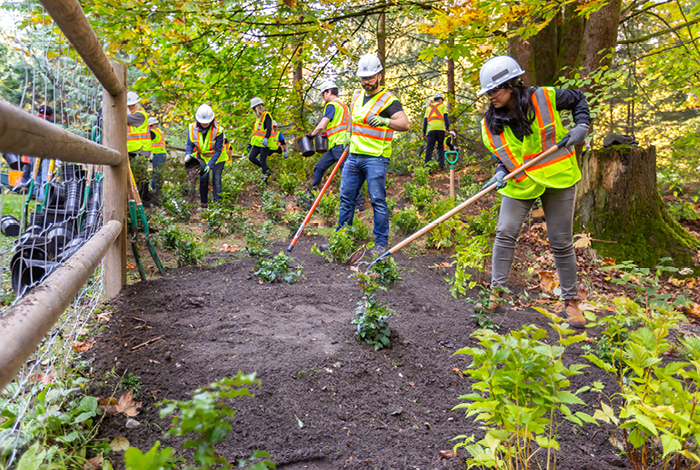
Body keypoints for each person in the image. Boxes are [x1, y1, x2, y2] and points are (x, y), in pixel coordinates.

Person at [478, 55, 590, 328]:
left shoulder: (544, 97)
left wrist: (581, 128)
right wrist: (500, 172)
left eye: (495, 90)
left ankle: (571, 301)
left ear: (511, 84)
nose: (490, 96)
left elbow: (578, 98)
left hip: (558, 177)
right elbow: (503, 154)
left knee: (561, 241)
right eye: (487, 92)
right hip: (521, 182)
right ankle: (497, 291)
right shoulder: (490, 121)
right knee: (504, 233)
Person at [337, 54, 409, 254]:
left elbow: (404, 124)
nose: (366, 82)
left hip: (375, 158)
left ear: (379, 76)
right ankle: (342, 240)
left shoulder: (389, 100)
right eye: (363, 78)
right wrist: (349, 134)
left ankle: (380, 244)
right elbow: (352, 116)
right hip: (354, 156)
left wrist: (386, 121)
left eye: (370, 78)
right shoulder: (357, 95)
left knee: (377, 199)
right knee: (346, 198)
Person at [307, 80, 365, 212]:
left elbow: (321, 125)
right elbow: (341, 125)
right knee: (319, 167)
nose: (323, 97)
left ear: (329, 92)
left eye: (323, 94)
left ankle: (359, 204)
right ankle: (310, 195)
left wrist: (312, 135)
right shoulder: (343, 105)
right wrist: (328, 133)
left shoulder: (332, 105)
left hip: (339, 146)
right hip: (336, 146)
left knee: (349, 174)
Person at [184, 104, 225, 207]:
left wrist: (210, 165)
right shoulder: (192, 128)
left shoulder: (218, 130)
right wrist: (188, 154)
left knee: (216, 179)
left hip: (217, 157)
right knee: (203, 178)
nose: (204, 124)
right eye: (202, 122)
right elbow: (190, 144)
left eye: (207, 122)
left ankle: (217, 205)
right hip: (202, 156)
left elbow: (218, 150)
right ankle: (204, 203)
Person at [126, 92, 152, 200]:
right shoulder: (133, 115)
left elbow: (123, 119)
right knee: (137, 176)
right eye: (129, 106)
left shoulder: (140, 115)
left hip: (140, 150)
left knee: (140, 176)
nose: (131, 108)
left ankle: (143, 199)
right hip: (133, 149)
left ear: (137, 104)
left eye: (133, 105)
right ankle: (139, 199)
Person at [248, 97, 274, 182]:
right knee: (251, 157)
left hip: (264, 143)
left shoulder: (266, 115)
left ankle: (264, 178)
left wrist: (266, 138)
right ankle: (267, 170)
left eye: (254, 109)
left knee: (263, 160)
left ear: (257, 107)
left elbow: (269, 128)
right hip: (257, 143)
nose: (254, 111)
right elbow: (257, 132)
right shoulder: (258, 118)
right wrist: (251, 143)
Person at [423, 92, 449, 169]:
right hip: (441, 129)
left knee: (429, 148)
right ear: (440, 99)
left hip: (431, 130)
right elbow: (446, 118)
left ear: (434, 100)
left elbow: (425, 121)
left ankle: (427, 166)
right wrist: (447, 129)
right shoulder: (443, 106)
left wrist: (424, 133)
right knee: (441, 146)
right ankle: (442, 165)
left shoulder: (428, 108)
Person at [149, 117, 167, 191]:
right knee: (159, 173)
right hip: (161, 154)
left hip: (158, 154)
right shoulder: (159, 131)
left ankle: (155, 190)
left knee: (156, 173)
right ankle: (159, 190)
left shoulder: (153, 132)